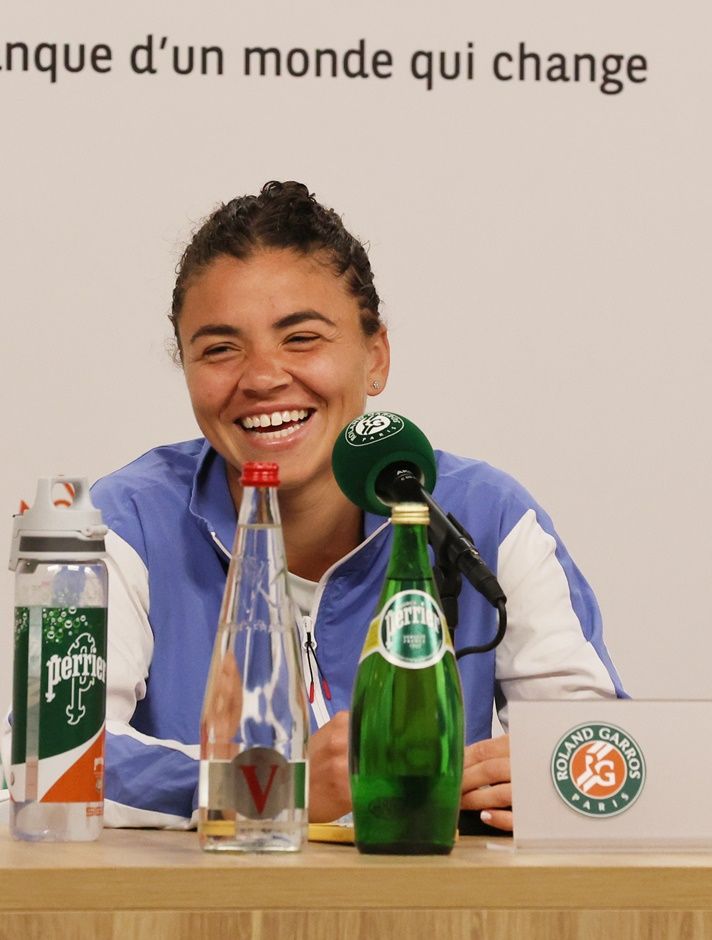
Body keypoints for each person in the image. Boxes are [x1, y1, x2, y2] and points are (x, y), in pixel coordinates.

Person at [90, 181, 624, 830]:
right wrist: (272, 789)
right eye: (220, 349)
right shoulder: (126, 521)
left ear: (376, 357)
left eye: (302, 338)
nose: (262, 377)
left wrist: (552, 785)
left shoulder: (484, 516)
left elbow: (599, 755)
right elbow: (60, 758)